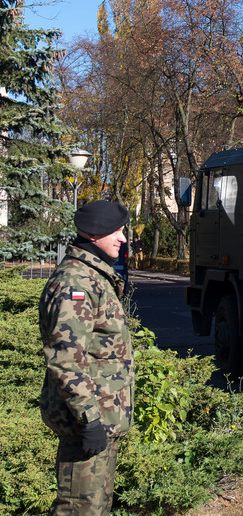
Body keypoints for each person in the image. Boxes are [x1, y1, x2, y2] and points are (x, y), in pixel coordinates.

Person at [39, 200, 135, 515]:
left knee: (94, 507)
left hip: (101, 419)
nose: (123, 238)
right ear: (94, 234)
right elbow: (66, 360)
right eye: (116, 231)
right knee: (79, 509)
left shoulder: (94, 276)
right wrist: (89, 419)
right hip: (86, 423)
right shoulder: (75, 283)